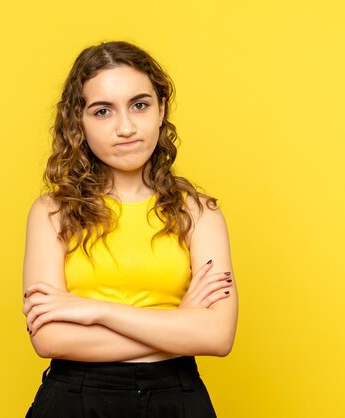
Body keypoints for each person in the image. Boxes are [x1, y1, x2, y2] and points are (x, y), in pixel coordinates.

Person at [21, 40, 238, 417]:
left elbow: (217, 337)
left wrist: (95, 312)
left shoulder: (199, 213)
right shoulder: (52, 212)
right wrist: (179, 325)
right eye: (103, 111)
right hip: (76, 400)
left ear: (160, 110)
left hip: (177, 400)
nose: (125, 127)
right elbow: (49, 338)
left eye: (139, 105)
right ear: (79, 122)